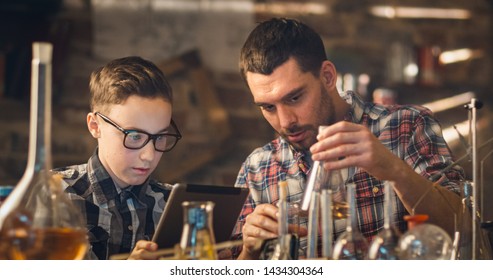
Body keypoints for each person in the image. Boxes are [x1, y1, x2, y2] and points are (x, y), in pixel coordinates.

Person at [231, 17, 467, 260]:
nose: (285, 122)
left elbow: (464, 231)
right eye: (269, 107)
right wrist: (250, 251)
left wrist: (394, 170)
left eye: (294, 98)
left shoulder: (407, 126)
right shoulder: (258, 167)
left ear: (327, 76)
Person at [53, 56, 182, 260]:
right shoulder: (54, 195)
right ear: (95, 126)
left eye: (160, 137)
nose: (149, 155)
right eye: (134, 136)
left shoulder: (171, 205)